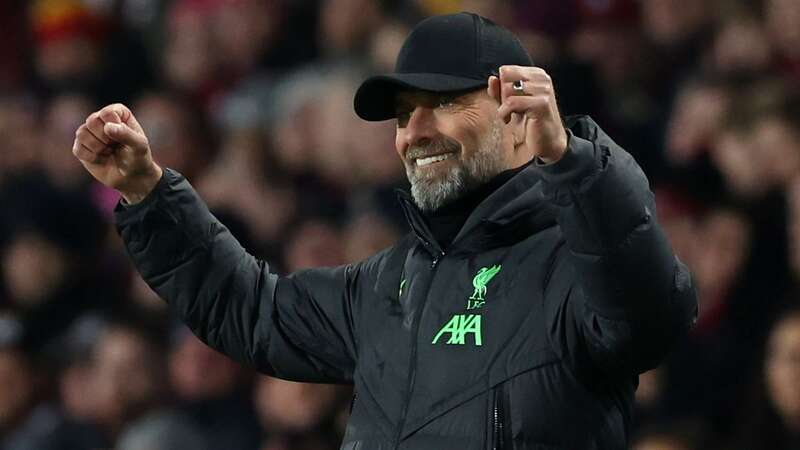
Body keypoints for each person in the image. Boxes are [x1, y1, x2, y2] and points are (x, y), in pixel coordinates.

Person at [71, 12, 697, 450]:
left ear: (519, 120)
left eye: (444, 103)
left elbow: (648, 309)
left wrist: (573, 162)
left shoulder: (574, 265)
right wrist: (148, 193)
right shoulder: (387, 284)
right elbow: (252, 312)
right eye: (403, 114)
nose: (412, 131)